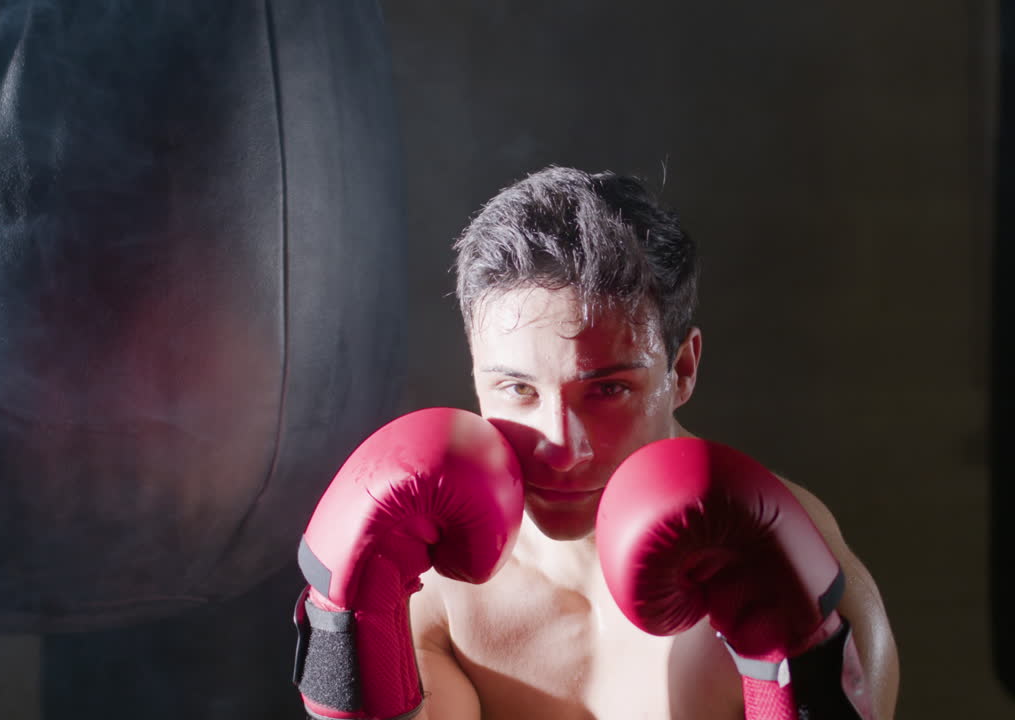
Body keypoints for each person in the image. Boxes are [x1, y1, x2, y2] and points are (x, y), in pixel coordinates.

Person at [294, 166, 899, 720]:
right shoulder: (431, 586)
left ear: (682, 370)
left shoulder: (784, 567)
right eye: (518, 389)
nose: (562, 447)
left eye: (607, 390)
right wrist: (349, 636)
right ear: (476, 374)